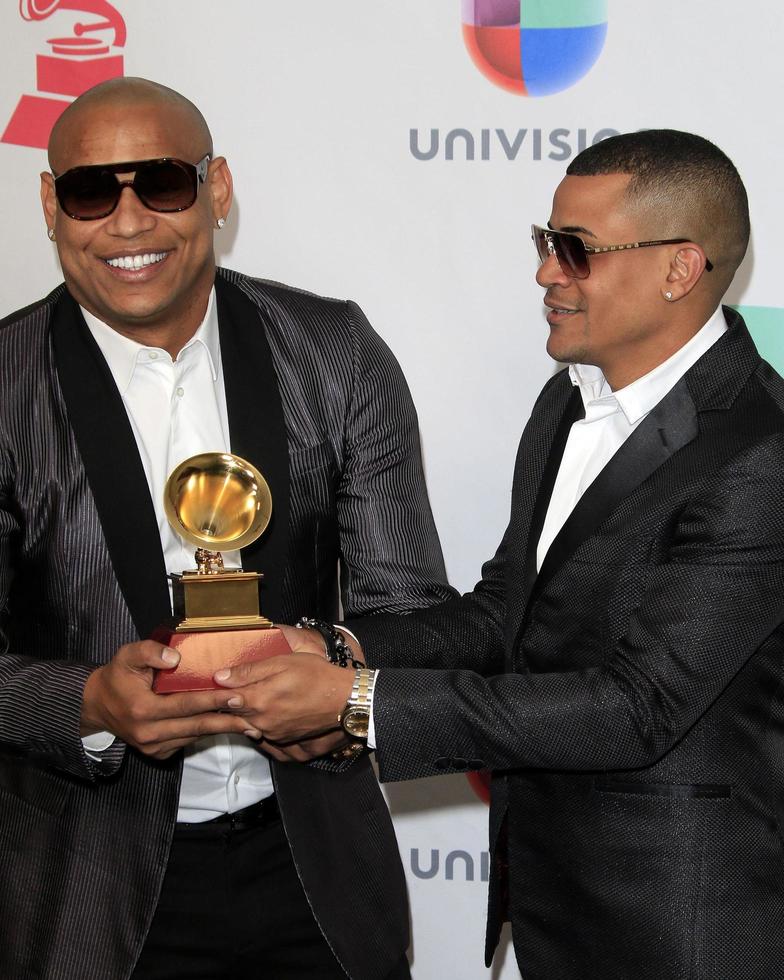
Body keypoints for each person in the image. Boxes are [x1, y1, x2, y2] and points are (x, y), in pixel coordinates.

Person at [219, 130, 784, 979]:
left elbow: (639, 707)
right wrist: (346, 648)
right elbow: (505, 611)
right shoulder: (565, 403)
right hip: (553, 907)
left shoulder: (758, 452)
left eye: (575, 251)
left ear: (679, 269)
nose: (546, 273)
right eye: (544, 243)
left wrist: (360, 701)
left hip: (682, 926)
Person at [0, 76, 455, 980]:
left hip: (314, 869)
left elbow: (418, 614)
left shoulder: (333, 352)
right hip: (80, 886)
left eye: (162, 183)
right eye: (93, 190)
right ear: (51, 205)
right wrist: (89, 704)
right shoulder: (5, 385)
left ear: (218, 188)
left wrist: (326, 664)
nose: (129, 224)